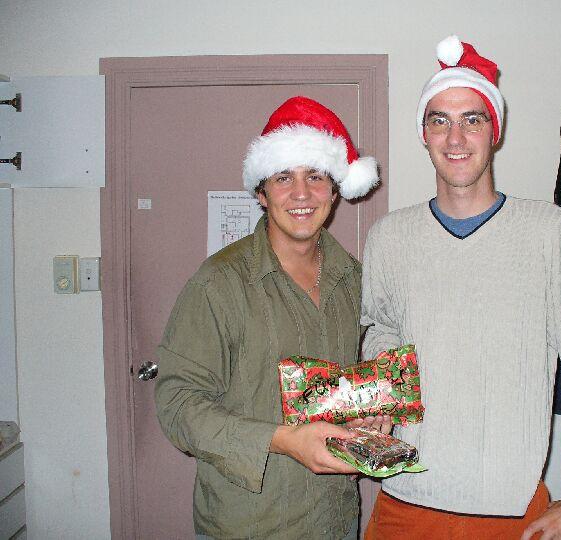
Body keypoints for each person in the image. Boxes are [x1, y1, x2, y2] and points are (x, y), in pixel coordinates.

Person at [361, 35, 561, 539]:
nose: (455, 138)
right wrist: (382, 399)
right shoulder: (389, 237)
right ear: (424, 134)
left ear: (494, 132)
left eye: (472, 120)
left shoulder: (549, 233)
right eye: (439, 121)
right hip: (402, 502)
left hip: (512, 512)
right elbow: (382, 335)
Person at [154, 95, 390, 539]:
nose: (301, 194)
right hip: (248, 524)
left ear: (335, 190)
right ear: (261, 193)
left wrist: (367, 414)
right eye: (284, 178)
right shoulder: (218, 284)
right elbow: (177, 406)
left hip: (335, 519)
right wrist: (282, 440)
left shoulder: (355, 281)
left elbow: (351, 383)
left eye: (315, 176)